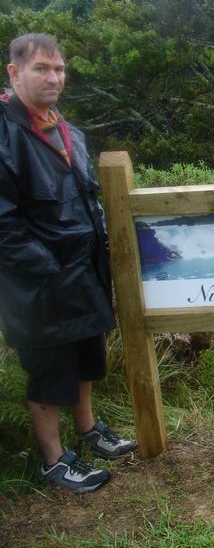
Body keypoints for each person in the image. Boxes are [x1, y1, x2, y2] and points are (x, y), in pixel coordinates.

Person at [0, 33, 137, 493]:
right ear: (14, 73)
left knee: (85, 358)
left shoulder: (66, 131)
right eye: (41, 69)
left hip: (82, 273)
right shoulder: (4, 132)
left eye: (59, 69)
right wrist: (48, 268)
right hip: (38, 282)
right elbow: (3, 223)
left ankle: (89, 431)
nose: (54, 78)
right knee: (49, 368)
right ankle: (54, 460)